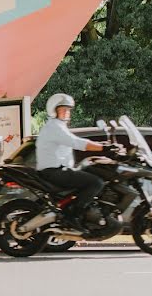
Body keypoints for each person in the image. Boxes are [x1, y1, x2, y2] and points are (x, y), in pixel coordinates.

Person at [35, 93, 107, 232]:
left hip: (58, 170)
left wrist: (103, 144)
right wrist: (103, 147)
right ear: (54, 110)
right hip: (54, 171)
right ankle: (73, 215)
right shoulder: (54, 127)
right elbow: (76, 142)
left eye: (68, 109)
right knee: (96, 182)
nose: (67, 112)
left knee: (90, 171)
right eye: (63, 109)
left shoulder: (57, 126)